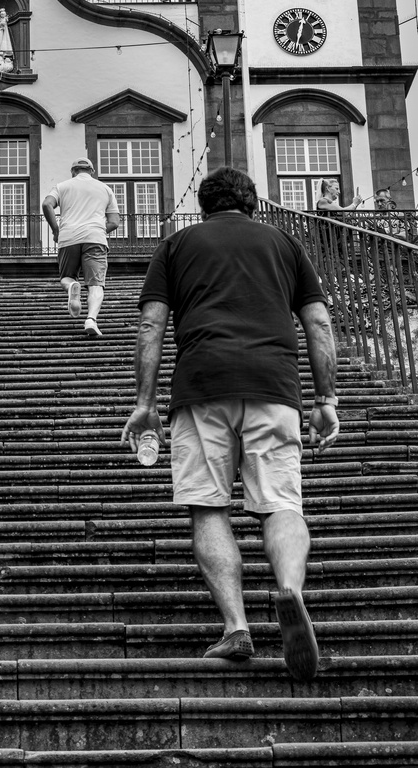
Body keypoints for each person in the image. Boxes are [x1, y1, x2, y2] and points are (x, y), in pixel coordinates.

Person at [120, 167, 340, 681]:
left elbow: (151, 322)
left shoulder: (175, 245)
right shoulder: (284, 244)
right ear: (253, 203)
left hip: (201, 385)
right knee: (281, 502)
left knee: (208, 505)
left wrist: (144, 402)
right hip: (275, 385)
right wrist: (326, 397)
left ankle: (237, 626)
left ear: (204, 205)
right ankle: (289, 588)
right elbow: (319, 322)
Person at [42, 158, 121, 338]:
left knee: (66, 278)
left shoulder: (62, 186)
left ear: (73, 172)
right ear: (91, 171)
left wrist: (56, 230)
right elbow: (115, 222)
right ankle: (91, 319)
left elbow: (46, 204)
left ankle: (72, 286)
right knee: (96, 285)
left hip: (68, 237)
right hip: (95, 239)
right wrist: (98, 230)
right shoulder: (105, 189)